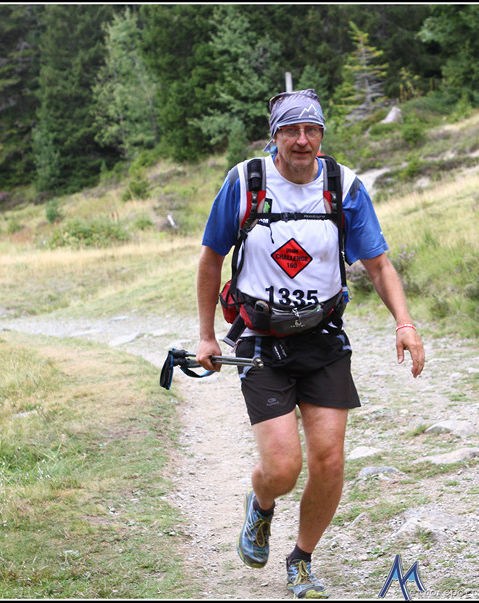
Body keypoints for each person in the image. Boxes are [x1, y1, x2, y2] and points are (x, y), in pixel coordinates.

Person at [196, 89, 424, 599]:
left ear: (321, 134)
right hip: (260, 341)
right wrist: (208, 335)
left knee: (329, 462)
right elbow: (211, 257)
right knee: (282, 469)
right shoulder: (245, 182)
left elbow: (378, 264)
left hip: (322, 339)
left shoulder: (343, 186)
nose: (302, 140)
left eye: (311, 130)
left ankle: (301, 560)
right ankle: (261, 505)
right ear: (274, 136)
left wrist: (404, 323)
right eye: (291, 131)